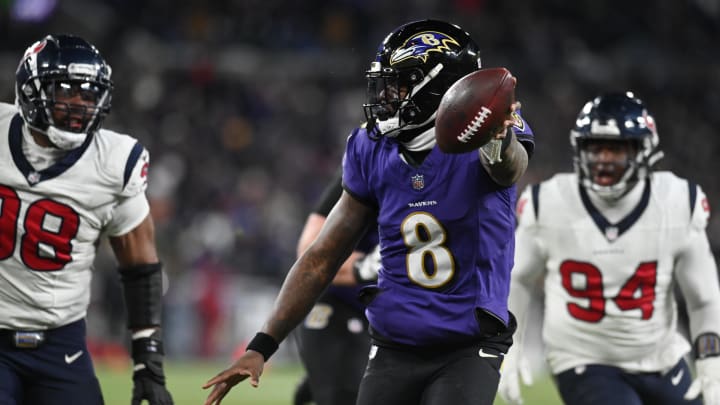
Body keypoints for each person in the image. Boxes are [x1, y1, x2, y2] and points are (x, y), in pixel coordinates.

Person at [203, 19, 534, 405]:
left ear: (442, 87)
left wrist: (496, 139)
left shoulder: (491, 138)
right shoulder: (370, 146)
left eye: (401, 83)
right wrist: (261, 346)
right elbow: (321, 257)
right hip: (394, 344)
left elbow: (510, 166)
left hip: (468, 343)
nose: (388, 94)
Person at [498, 92, 720, 405]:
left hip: (661, 356)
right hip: (584, 358)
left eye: (615, 149)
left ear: (643, 149)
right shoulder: (548, 202)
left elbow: (703, 299)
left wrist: (710, 359)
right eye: (595, 147)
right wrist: (512, 346)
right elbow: (516, 279)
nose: (603, 158)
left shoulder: (676, 202)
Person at [0, 34, 173, 404]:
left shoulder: (113, 162)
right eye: (66, 92)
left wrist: (148, 359)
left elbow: (140, 266)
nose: (79, 105)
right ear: (30, 92)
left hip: (60, 344)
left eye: (88, 94)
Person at [292, 166, 380, 405]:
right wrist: (369, 265)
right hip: (340, 305)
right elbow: (310, 252)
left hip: (391, 317)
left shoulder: (446, 177)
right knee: (344, 395)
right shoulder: (367, 173)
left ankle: (323, 379)